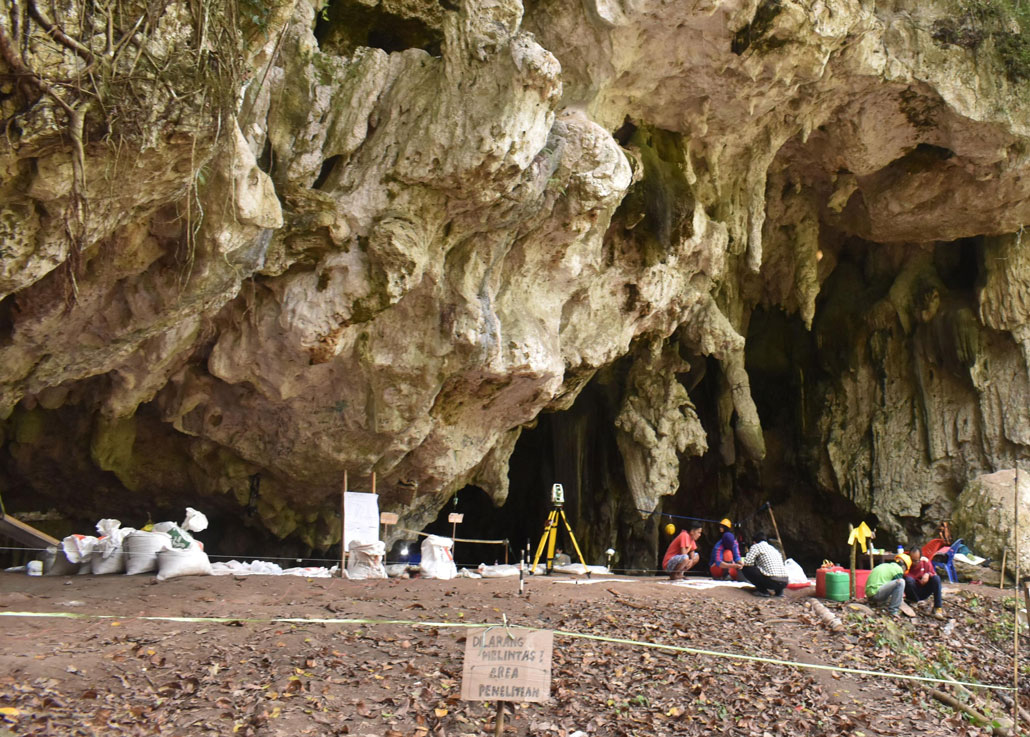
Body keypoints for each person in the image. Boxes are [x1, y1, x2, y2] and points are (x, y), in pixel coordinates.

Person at [739, 531, 788, 597]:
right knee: (773, 570)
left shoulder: (756, 546)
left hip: (771, 581)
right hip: (784, 582)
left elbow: (747, 562)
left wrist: (741, 560)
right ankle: (779, 592)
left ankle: (763, 591)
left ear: (754, 542)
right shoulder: (773, 549)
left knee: (746, 568)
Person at [904, 547, 944, 619]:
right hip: (911, 591)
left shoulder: (925, 562)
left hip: (923, 589)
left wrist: (928, 574)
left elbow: (933, 573)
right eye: (912, 560)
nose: (914, 563)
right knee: (909, 580)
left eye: (916, 561)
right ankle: (914, 602)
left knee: (936, 579)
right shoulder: (905, 562)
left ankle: (938, 607)